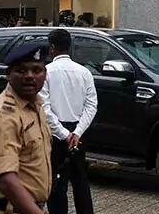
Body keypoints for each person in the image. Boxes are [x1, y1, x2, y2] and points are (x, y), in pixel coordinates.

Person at [0, 43, 52, 214]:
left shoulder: (35, 106)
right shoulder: (4, 115)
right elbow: (7, 180)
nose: (29, 76)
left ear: (45, 74)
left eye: (36, 70)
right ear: (8, 74)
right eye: (21, 71)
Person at [40, 29, 97, 214]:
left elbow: (44, 108)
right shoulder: (84, 72)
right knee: (80, 179)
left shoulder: (46, 72)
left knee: (56, 180)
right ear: (69, 47)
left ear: (52, 48)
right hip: (78, 133)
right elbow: (91, 105)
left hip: (56, 133)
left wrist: (64, 134)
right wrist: (78, 132)